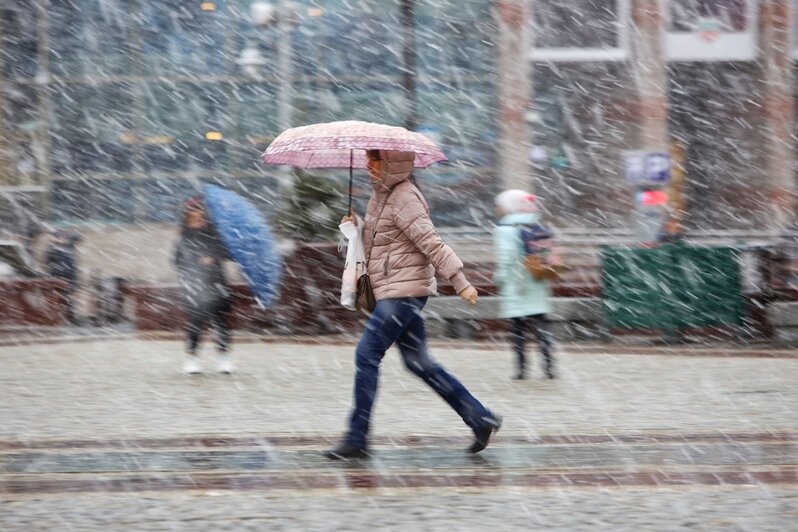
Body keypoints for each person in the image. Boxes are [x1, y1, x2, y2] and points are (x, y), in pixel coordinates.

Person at [325, 149, 502, 460]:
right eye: (368, 159)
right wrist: (358, 228)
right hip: (393, 290)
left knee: (366, 355)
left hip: (404, 292)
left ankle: (357, 438)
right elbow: (385, 243)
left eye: (374, 160)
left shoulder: (405, 197)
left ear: (391, 162)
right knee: (418, 362)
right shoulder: (380, 196)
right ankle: (479, 417)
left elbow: (429, 241)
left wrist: (459, 281)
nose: (368, 165)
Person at [493, 190, 556, 380]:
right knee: (541, 326)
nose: (498, 209)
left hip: (517, 284)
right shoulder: (535, 225)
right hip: (537, 281)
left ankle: (521, 369)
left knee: (518, 329)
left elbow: (506, 258)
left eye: (500, 205)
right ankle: (549, 367)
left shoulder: (504, 230)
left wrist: (500, 278)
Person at [174, 197, 234, 374]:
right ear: (187, 220)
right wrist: (196, 262)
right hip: (195, 286)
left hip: (216, 284)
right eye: (193, 218)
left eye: (201, 218)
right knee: (196, 324)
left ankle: (224, 359)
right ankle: (192, 359)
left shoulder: (215, 236)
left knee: (221, 323)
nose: (198, 222)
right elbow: (177, 261)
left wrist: (213, 258)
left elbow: (228, 254)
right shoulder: (184, 239)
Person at [46, 229, 80, 324]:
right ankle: (59, 319)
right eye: (60, 237)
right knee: (59, 300)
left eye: (63, 237)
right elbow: (50, 266)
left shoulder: (69, 248)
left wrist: (67, 237)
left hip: (70, 278)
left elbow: (77, 236)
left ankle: (71, 318)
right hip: (59, 278)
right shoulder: (53, 250)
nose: (62, 239)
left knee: (69, 300)